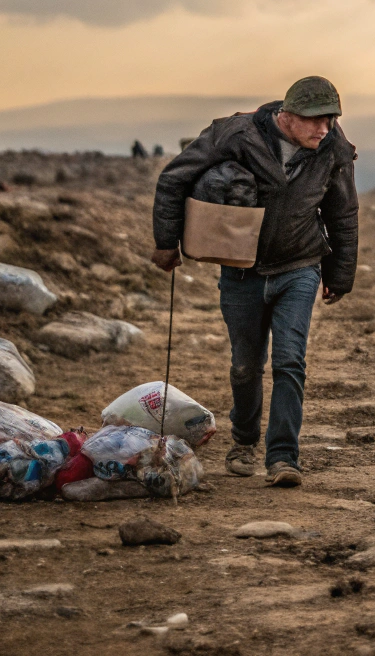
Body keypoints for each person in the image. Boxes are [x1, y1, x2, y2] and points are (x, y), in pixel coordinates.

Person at [148, 76, 358, 489]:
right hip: (240, 270)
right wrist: (166, 242)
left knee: (289, 362)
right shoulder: (234, 134)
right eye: (316, 120)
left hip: (299, 266)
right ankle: (244, 440)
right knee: (245, 366)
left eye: (331, 119)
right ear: (287, 116)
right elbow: (173, 179)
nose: (325, 128)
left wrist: (340, 274)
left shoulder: (332, 148)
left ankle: (283, 457)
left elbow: (343, 212)